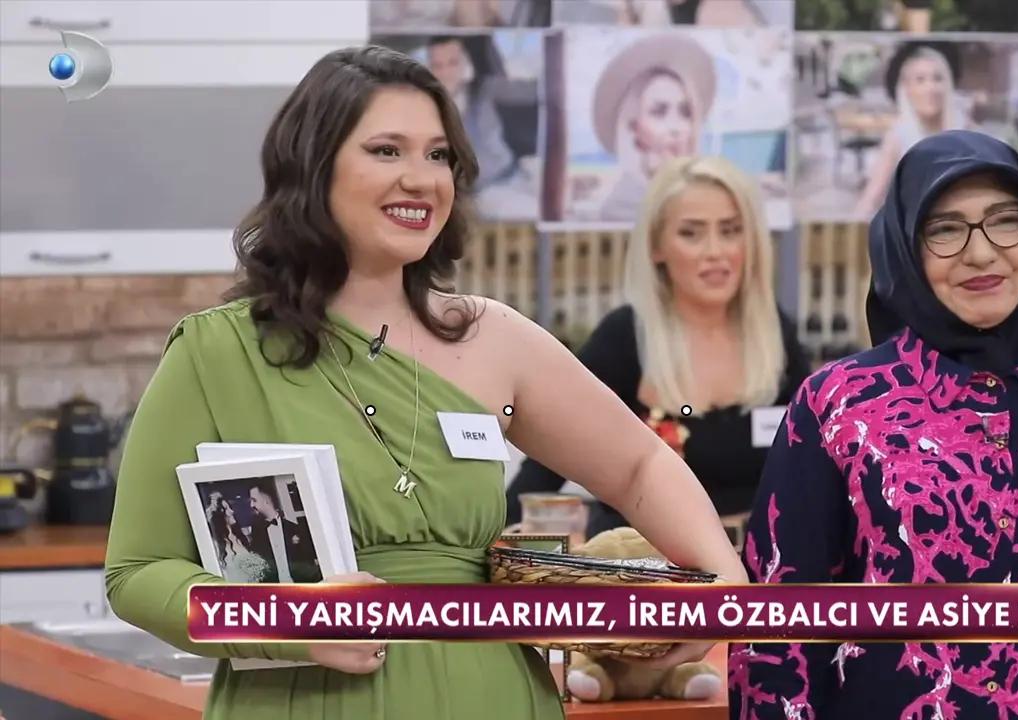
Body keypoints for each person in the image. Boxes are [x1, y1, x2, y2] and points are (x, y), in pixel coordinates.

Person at [103, 45, 746, 720]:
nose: (421, 179)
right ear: (314, 167)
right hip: (308, 701)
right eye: (386, 150)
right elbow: (138, 573)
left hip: (493, 697)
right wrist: (289, 620)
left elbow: (639, 464)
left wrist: (724, 583)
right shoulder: (216, 354)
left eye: (438, 156)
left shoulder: (493, 337)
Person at [730, 130, 1018, 717]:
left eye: (1005, 222)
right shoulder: (839, 405)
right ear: (905, 248)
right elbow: (776, 636)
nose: (981, 253)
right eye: (946, 230)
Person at [507, 156, 809, 535]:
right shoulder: (624, 338)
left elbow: (815, 466)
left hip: (754, 560)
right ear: (656, 246)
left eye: (731, 230)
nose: (715, 251)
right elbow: (546, 459)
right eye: (691, 233)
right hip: (644, 561)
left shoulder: (775, 335)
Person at [591, 33, 716, 222]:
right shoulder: (622, 206)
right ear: (634, 126)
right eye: (659, 112)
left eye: (685, 112)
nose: (675, 127)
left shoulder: (704, 193)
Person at [851, 42, 970, 221]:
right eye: (920, 80)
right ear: (907, 89)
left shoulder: (964, 128)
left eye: (937, 78)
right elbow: (870, 199)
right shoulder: (898, 136)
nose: (930, 88)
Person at [421, 36, 515, 191]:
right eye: (437, 65)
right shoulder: (420, 107)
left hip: (500, 182)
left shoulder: (485, 90)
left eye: (453, 63)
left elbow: (528, 91)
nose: (445, 72)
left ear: (465, 63)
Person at [245, 480, 322, 584]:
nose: (251, 505)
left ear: (266, 500)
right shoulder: (257, 534)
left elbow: (310, 565)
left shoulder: (295, 529)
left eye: (254, 500)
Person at [206, 493, 270, 583]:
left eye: (230, 507)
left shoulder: (240, 536)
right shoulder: (217, 545)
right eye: (226, 509)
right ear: (219, 514)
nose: (232, 511)